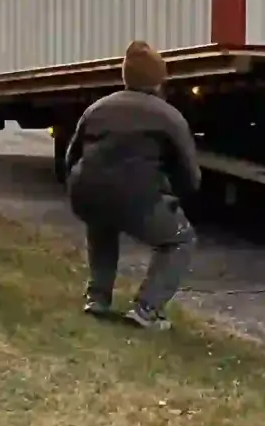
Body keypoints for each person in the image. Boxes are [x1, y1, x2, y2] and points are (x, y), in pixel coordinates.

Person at [64, 40, 201, 330]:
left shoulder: (97, 108)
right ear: (159, 80)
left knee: (101, 224)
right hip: (137, 198)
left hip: (86, 192)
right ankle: (146, 310)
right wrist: (174, 197)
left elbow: (71, 156)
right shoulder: (169, 116)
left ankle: (98, 299)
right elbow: (191, 175)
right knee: (180, 239)